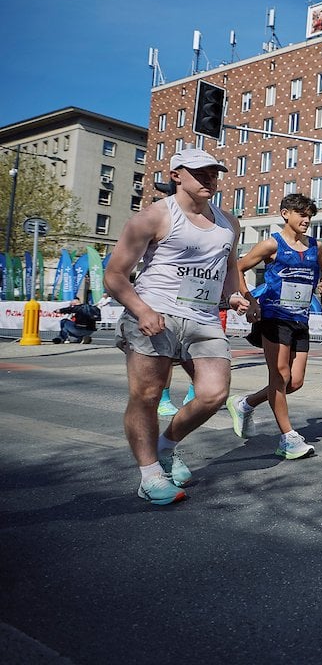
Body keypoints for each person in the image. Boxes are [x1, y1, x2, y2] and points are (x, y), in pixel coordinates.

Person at [103, 148, 251, 505]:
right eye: (200, 173)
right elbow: (114, 275)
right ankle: (150, 476)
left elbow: (229, 268)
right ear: (176, 175)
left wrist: (234, 295)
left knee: (213, 393)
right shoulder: (152, 217)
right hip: (157, 315)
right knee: (148, 396)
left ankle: (167, 445)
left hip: (203, 318)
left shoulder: (228, 222)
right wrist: (141, 310)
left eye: (214, 173)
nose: (210, 180)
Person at [225, 193, 322, 460]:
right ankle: (288, 437)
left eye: (309, 216)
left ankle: (246, 403)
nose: (306, 220)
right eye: (302, 214)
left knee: (295, 382)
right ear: (286, 214)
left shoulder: (315, 247)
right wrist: (251, 301)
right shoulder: (272, 244)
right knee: (279, 375)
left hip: (300, 320)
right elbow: (239, 268)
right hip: (273, 315)